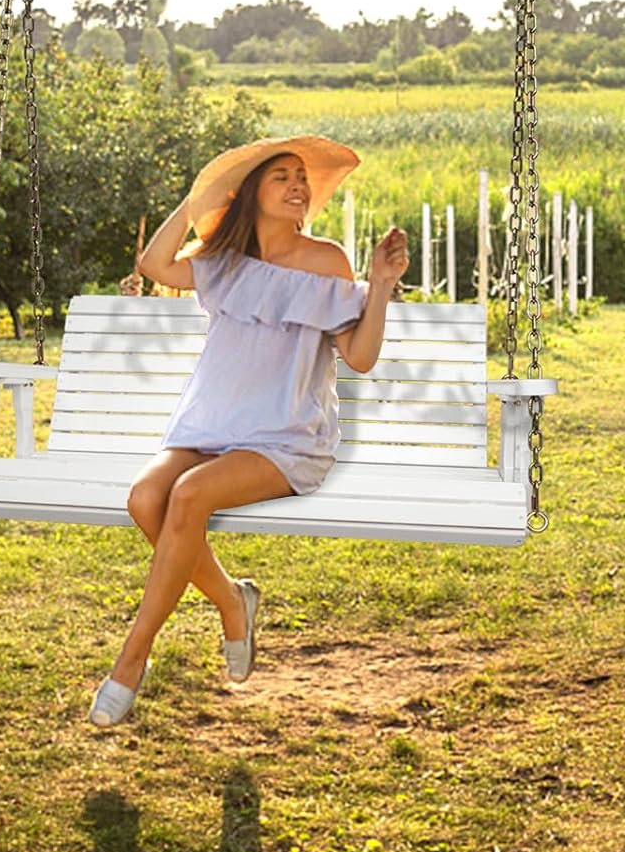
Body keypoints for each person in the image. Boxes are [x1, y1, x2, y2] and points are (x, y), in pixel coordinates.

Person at [89, 135, 410, 727]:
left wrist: (381, 285)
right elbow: (155, 265)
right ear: (250, 193)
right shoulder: (224, 262)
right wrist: (198, 200)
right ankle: (232, 601)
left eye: (301, 177)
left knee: (189, 495)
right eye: (281, 176)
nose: (298, 186)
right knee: (145, 498)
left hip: (285, 437)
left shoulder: (327, 261)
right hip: (210, 427)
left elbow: (360, 358)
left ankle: (131, 661)